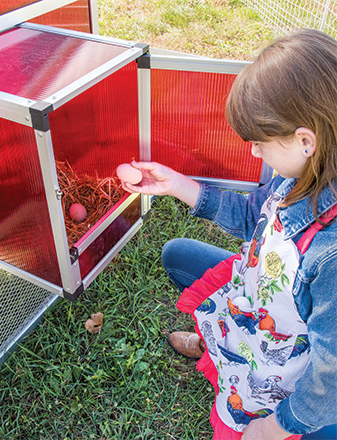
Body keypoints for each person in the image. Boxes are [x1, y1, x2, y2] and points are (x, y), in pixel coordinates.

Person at [121, 29, 337, 440]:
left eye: (259, 142)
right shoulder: (306, 171)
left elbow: (332, 374)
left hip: (297, 367)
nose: (255, 153)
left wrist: (275, 427)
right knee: (177, 254)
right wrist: (177, 185)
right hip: (259, 299)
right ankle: (224, 350)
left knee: (312, 422)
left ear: (305, 140)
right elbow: (256, 213)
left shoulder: (333, 254)